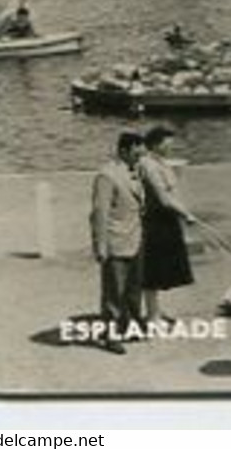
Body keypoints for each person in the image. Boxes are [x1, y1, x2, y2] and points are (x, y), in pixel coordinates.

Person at [90, 132, 147, 354]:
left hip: (135, 237)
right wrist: (100, 244)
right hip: (115, 240)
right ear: (122, 151)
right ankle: (110, 334)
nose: (138, 158)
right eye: (135, 154)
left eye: (140, 154)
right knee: (114, 291)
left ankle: (130, 325)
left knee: (134, 288)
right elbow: (99, 213)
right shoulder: (107, 175)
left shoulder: (137, 171)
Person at [137, 125, 198, 327]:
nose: (170, 146)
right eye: (166, 143)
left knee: (162, 268)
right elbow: (163, 198)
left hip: (167, 219)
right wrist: (186, 214)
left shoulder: (158, 162)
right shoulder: (148, 165)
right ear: (155, 144)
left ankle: (156, 310)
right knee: (152, 270)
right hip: (156, 221)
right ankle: (152, 316)